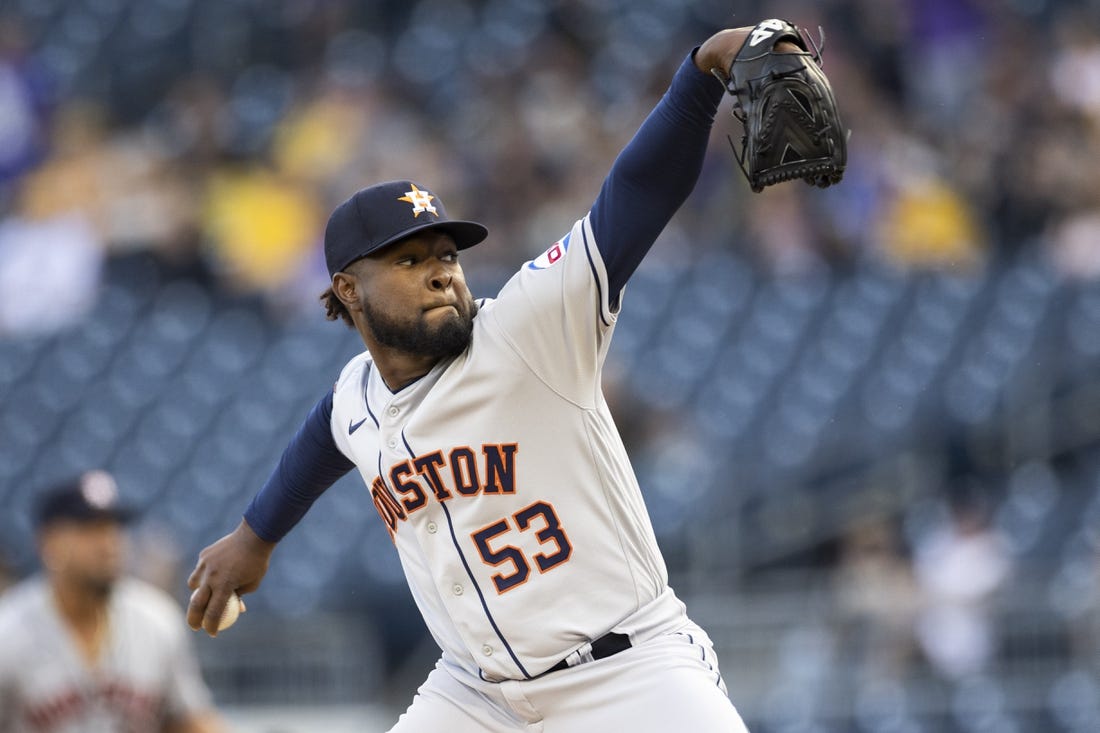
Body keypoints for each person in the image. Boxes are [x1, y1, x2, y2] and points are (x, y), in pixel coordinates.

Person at [186, 22, 808, 732]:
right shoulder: (358, 394)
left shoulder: (528, 327)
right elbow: (325, 437)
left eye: (445, 253)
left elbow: (632, 198)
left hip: (628, 673)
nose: (441, 272)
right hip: (475, 696)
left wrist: (700, 75)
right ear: (348, 291)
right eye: (410, 260)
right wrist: (254, 535)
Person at [0, 470, 225, 733]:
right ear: (49, 542)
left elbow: (189, 721)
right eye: (91, 529)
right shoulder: (8, 631)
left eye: (114, 527)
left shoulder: (157, 619)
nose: (109, 543)